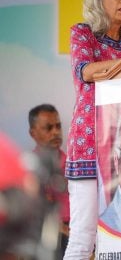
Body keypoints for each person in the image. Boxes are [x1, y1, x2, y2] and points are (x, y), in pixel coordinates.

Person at [63, 0, 121, 260]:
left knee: (120, 234)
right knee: (84, 238)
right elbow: (87, 71)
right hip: (89, 145)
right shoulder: (82, 33)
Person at [28, 103, 70, 256]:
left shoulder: (76, 165)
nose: (56, 132)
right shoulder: (29, 169)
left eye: (58, 126)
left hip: (79, 233)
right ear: (33, 133)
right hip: (49, 237)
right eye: (48, 128)